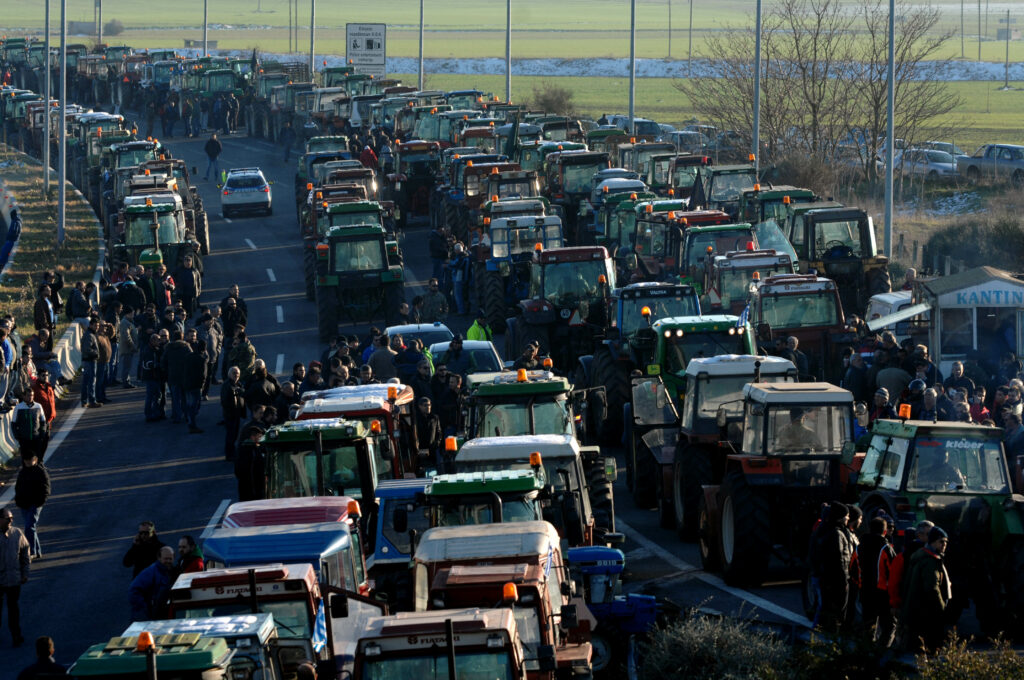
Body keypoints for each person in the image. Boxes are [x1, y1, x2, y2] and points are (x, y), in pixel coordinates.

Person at [902, 526, 952, 652]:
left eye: (946, 542)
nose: (944, 544)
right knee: (930, 648)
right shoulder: (930, 561)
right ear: (933, 541)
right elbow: (932, 588)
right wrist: (941, 607)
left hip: (917, 610)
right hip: (927, 611)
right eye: (941, 541)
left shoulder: (921, 557)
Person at [810, 502, 853, 632]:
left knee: (824, 608)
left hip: (825, 577)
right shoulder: (836, 534)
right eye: (847, 515)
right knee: (832, 612)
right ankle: (826, 639)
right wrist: (843, 580)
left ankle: (818, 637)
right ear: (840, 517)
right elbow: (838, 560)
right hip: (834, 580)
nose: (848, 518)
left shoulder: (824, 530)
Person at [0, 507, 30, 647]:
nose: (11, 520)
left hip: (13, 580)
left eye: (11, 518)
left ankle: (16, 636)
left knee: (13, 610)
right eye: (8, 518)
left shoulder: (17, 533)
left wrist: (25, 573)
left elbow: (25, 553)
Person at [129, 546, 175, 622]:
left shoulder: (170, 572)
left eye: (170, 559)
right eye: (165, 559)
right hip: (145, 618)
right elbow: (133, 590)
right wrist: (145, 609)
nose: (168, 561)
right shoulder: (151, 572)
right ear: (159, 558)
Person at [80, 317, 101, 408]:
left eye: (98, 326)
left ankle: (85, 401)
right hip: (90, 361)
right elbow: (86, 349)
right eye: (95, 325)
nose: (97, 327)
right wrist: (96, 353)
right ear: (91, 325)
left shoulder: (90, 334)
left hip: (88, 360)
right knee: (90, 381)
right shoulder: (89, 335)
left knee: (86, 381)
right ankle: (92, 401)